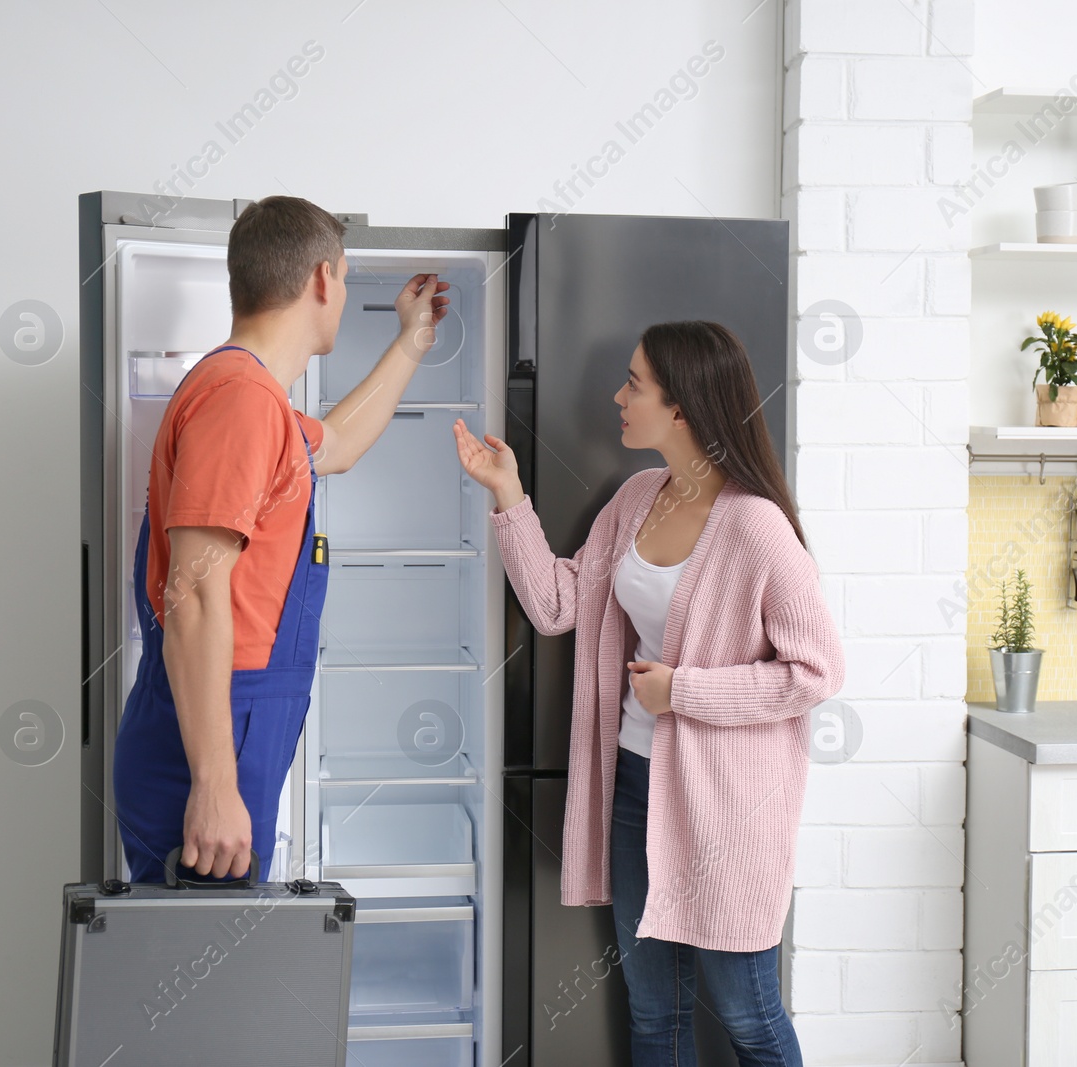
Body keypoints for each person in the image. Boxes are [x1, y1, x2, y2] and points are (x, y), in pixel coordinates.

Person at [452, 321, 844, 1067]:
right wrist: (509, 495)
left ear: (684, 408)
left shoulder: (757, 529)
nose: (617, 395)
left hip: (731, 806)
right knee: (652, 1010)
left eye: (635, 383)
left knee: (748, 1012)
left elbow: (817, 671)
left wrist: (685, 692)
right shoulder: (636, 498)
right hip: (634, 785)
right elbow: (558, 605)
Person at [112, 195, 450, 883]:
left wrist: (411, 339)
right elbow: (195, 592)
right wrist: (212, 783)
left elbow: (342, 443)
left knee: (213, 974)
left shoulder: (252, 400)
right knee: (203, 979)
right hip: (208, 733)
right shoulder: (240, 403)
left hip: (230, 720)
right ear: (323, 279)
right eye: (346, 279)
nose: (344, 293)